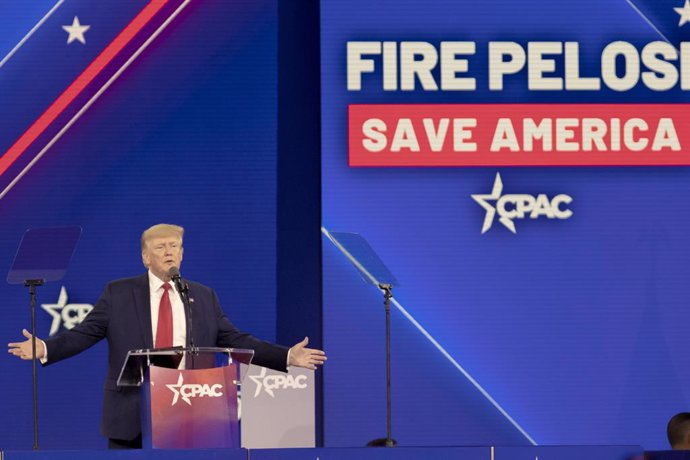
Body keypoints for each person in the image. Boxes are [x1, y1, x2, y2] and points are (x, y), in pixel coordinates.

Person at [8, 223, 326, 449]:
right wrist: (45, 347)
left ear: (183, 253)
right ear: (145, 257)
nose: (169, 252)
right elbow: (84, 334)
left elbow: (236, 339)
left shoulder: (202, 296)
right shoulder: (118, 293)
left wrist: (286, 355)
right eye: (160, 247)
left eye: (174, 246)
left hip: (191, 414)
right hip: (132, 415)